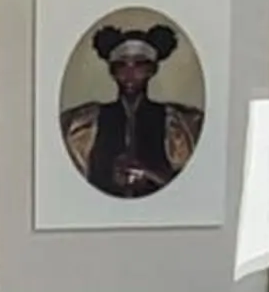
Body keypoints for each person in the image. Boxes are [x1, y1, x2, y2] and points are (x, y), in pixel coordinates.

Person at [60, 20, 201, 197]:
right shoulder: (82, 124)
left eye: (139, 65)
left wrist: (150, 175)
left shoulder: (180, 124)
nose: (130, 74)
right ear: (112, 71)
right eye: (122, 65)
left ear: (152, 69)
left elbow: (192, 189)